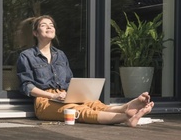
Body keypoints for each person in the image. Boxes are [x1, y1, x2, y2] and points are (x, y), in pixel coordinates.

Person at [16, 15, 154, 127]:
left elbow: (69, 80)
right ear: (35, 33)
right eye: (43, 25)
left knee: (93, 103)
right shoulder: (27, 56)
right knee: (77, 110)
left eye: (51, 25)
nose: (49, 27)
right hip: (45, 101)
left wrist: (75, 93)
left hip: (65, 95)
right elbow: (27, 86)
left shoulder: (60, 55)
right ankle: (125, 117)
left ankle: (127, 107)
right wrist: (52, 96)